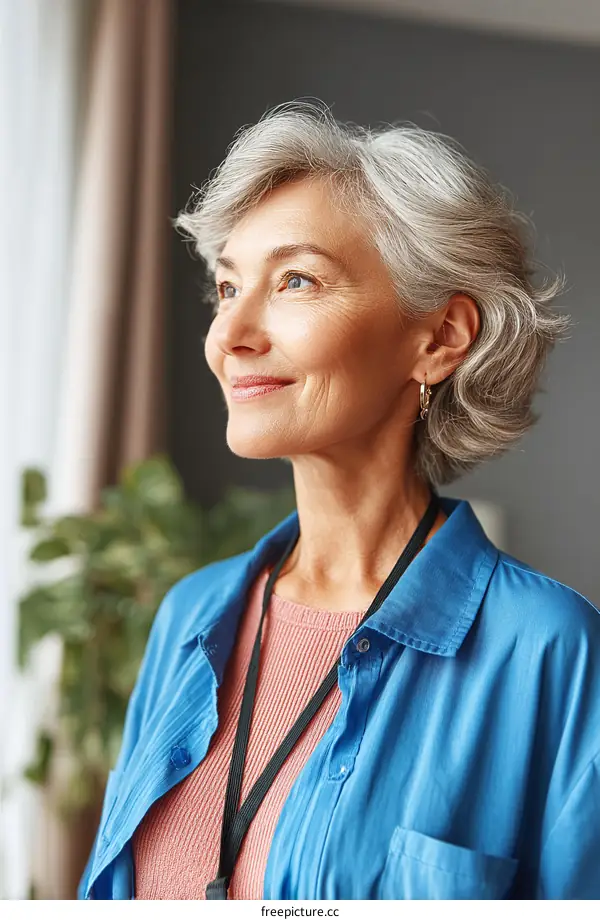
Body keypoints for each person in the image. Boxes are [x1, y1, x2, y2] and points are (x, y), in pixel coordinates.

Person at [79, 102, 600, 900]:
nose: (231, 334)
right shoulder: (191, 617)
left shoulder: (549, 652)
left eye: (295, 280)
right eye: (226, 287)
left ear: (439, 338)